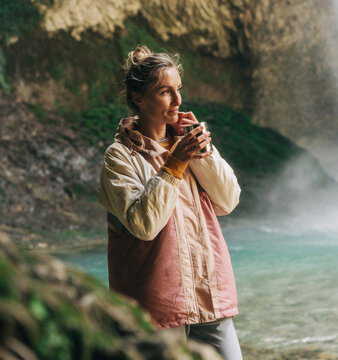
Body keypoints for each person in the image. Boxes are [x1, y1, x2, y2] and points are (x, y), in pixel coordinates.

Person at [98, 45, 243, 359]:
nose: (178, 101)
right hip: (156, 308)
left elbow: (229, 199)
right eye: (166, 92)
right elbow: (143, 225)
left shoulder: (188, 140)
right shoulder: (119, 158)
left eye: (178, 90)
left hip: (209, 294)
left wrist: (201, 155)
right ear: (139, 98)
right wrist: (175, 163)